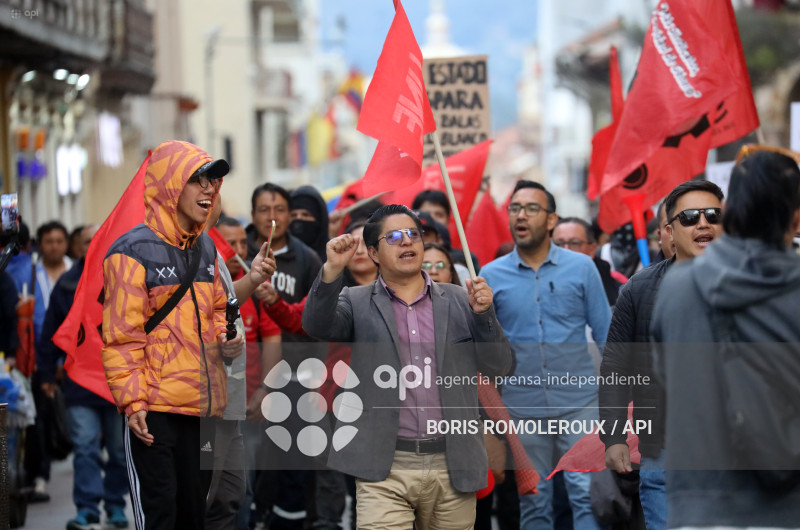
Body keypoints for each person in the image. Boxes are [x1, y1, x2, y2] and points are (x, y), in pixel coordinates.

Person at [302, 204, 512, 529]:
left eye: (413, 235)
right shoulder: (355, 301)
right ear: (373, 252)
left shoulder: (461, 299)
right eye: (394, 236)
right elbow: (316, 324)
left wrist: (485, 315)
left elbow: (500, 365)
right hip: (384, 466)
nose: (407, 242)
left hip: (453, 462)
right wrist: (331, 271)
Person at [102, 140, 248, 529]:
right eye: (197, 180)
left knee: (193, 516)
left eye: (212, 182)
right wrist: (133, 404)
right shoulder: (131, 251)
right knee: (161, 517)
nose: (208, 190)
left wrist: (226, 339)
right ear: (170, 184)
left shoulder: (206, 250)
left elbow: (219, 311)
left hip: (203, 411)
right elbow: (122, 337)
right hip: (154, 413)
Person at [651, 150, 800, 528]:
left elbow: (664, 380)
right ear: (796, 218)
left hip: (700, 502)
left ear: (729, 212)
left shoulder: (677, 289)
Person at [480, 180, 611, 530]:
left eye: (532, 208)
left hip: (581, 402)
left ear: (552, 220)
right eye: (515, 208)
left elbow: (606, 335)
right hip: (522, 408)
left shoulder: (582, 268)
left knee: (586, 495)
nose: (521, 215)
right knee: (535, 501)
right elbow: (484, 354)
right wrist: (480, 314)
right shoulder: (490, 277)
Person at [599, 180, 724, 530]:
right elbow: (615, 369)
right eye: (689, 217)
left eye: (713, 215)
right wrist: (613, 437)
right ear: (669, 230)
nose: (703, 223)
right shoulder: (639, 290)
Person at [37, 225, 130, 530]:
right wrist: (47, 374)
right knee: (86, 447)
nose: (94, 245)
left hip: (118, 385)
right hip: (79, 384)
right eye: (87, 242)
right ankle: (87, 507)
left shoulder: (127, 279)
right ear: (77, 248)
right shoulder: (67, 285)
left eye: (98, 240)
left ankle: (116, 505)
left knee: (118, 451)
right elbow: (52, 333)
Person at [553, 217, 624, 306]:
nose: (565, 250)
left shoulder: (621, 292)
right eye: (558, 244)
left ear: (592, 249)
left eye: (574, 243)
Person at [289, 185, 330, 263]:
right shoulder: (278, 256)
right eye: (293, 215)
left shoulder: (335, 255)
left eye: (305, 214)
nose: (299, 218)